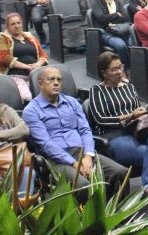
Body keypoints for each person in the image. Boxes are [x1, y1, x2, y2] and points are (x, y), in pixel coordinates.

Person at [89, 53, 148, 230]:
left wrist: (146, 111)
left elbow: (136, 111)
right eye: (114, 69)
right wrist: (130, 115)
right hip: (113, 136)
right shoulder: (97, 91)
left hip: (136, 130)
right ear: (103, 72)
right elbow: (100, 120)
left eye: (120, 67)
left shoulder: (128, 86)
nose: (119, 72)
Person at [23, 66, 128, 202]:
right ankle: (86, 216)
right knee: (82, 185)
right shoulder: (31, 111)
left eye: (59, 79)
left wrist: (88, 155)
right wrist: (73, 163)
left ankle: (114, 212)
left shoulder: (72, 102)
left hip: (82, 153)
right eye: (51, 79)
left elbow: (85, 130)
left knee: (120, 172)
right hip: (56, 160)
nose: (56, 83)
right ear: (40, 83)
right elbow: (45, 144)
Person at [0, 12, 47, 101]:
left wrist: (38, 64)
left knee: (49, 92)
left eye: (19, 23)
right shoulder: (2, 39)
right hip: (14, 76)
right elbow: (4, 58)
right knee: (26, 97)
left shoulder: (30, 37)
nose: (17, 26)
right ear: (7, 27)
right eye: (13, 24)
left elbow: (42, 55)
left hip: (35, 73)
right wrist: (27, 67)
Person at [92, 0, 131, 69]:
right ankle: (125, 69)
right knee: (121, 46)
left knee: (133, 43)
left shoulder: (116, 2)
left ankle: (134, 67)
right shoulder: (97, 3)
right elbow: (101, 18)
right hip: (107, 32)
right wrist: (116, 14)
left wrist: (111, 18)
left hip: (121, 30)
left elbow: (126, 17)